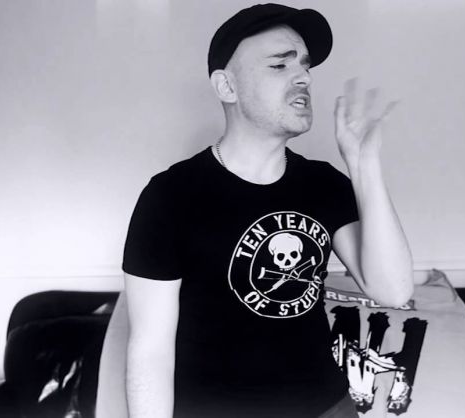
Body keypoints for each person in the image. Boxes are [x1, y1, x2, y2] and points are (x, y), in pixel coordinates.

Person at [122, 4, 414, 417]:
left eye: (305, 66)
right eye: (280, 65)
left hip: (325, 408)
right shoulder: (170, 197)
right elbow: (150, 350)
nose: (304, 77)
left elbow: (393, 290)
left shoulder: (324, 184)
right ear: (227, 86)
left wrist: (363, 165)